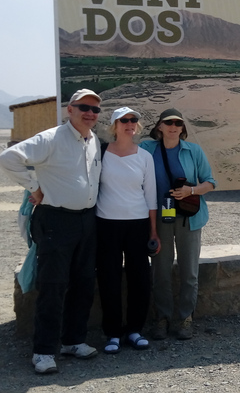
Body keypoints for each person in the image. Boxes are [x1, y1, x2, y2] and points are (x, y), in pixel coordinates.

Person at [0, 89, 103, 374]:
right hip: (56, 221)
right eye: (84, 107)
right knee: (53, 285)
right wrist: (34, 187)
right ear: (69, 110)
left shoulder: (93, 140)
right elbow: (8, 158)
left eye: (95, 109)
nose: (90, 113)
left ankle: (73, 341)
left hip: (86, 220)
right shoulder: (51, 138)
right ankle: (44, 351)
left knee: (83, 282)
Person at [140, 108, 216, 340]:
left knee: (189, 272)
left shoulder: (193, 151)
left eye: (178, 123)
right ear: (159, 127)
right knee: (160, 271)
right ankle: (162, 318)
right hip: (159, 219)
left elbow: (210, 182)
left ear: (182, 128)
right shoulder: (146, 150)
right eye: (168, 122)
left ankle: (184, 319)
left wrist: (190, 190)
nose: (173, 126)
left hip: (189, 219)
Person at [96, 107, 160, 354]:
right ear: (114, 125)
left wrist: (153, 232)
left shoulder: (144, 156)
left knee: (139, 278)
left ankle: (135, 330)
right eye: (124, 120)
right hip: (107, 223)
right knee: (108, 278)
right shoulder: (101, 154)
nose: (130, 124)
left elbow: (151, 196)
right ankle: (112, 333)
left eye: (134, 120)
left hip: (138, 224)